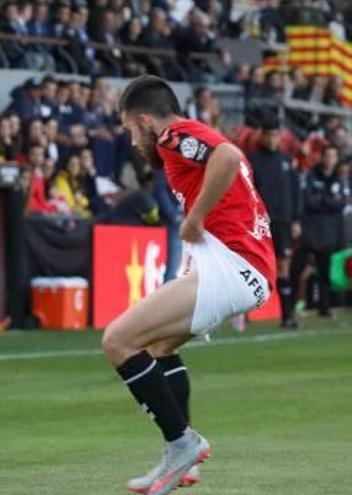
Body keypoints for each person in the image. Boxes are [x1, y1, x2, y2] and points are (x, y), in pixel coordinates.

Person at [106, 76, 275, 495]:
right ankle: (181, 458)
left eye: (130, 130)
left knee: (118, 340)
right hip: (244, 266)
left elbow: (229, 156)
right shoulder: (190, 136)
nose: (132, 141)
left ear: (145, 121)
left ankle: (182, 444)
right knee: (159, 347)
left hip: (232, 266)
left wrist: (195, 217)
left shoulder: (172, 136)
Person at [249, 118, 300, 327]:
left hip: (284, 222)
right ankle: (244, 314)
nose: (272, 139)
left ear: (280, 137)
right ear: (262, 135)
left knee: (284, 266)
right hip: (260, 222)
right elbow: (248, 191)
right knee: (254, 266)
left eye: (275, 135)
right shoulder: (253, 160)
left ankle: (287, 316)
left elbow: (296, 192)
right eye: (268, 135)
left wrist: (296, 218)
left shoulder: (287, 161)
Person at [300, 146, 345, 318]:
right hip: (311, 230)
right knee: (299, 267)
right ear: (322, 157)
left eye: (334, 156)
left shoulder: (338, 179)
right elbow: (309, 201)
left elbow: (341, 203)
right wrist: (329, 202)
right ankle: (295, 305)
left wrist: (322, 200)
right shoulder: (311, 176)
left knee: (325, 270)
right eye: (328, 155)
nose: (331, 159)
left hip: (329, 231)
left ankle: (324, 306)